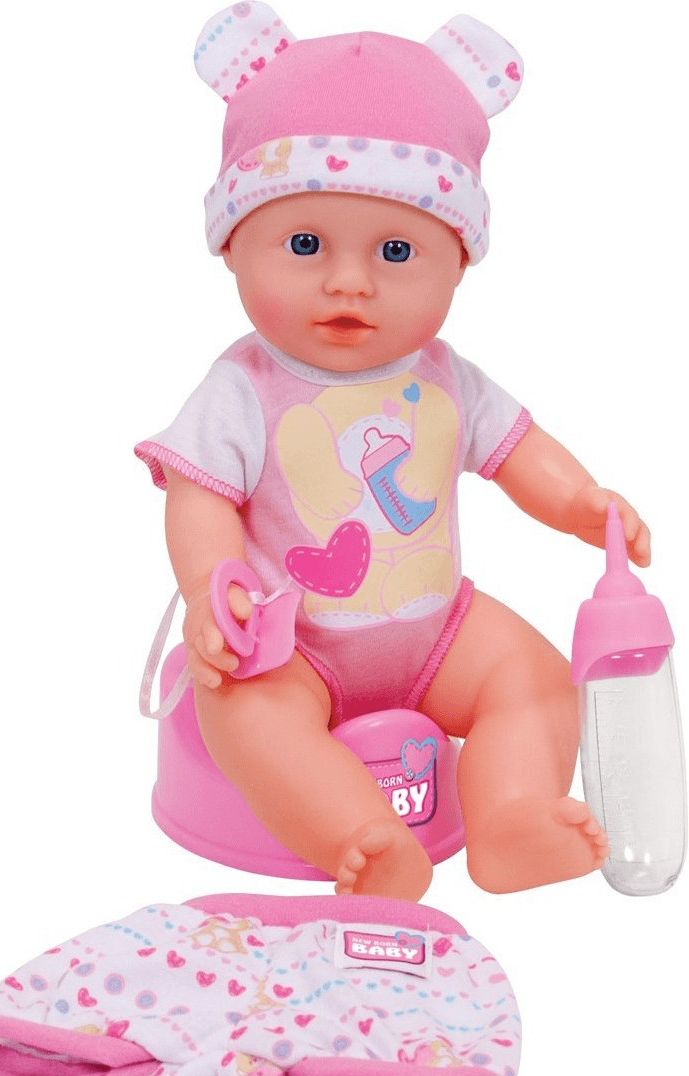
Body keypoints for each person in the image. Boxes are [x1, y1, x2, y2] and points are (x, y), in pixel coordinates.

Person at [136, 5, 649, 900]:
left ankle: (509, 819)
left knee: (533, 679)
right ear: (231, 248)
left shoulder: (446, 378)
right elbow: (198, 495)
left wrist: (580, 501)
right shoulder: (245, 386)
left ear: (459, 262)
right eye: (304, 244)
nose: (350, 281)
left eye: (397, 250)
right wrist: (215, 588)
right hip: (293, 644)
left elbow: (519, 451)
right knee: (246, 712)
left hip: (435, 629)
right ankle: (362, 838)